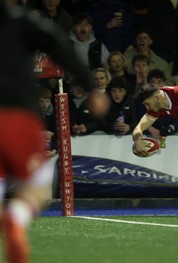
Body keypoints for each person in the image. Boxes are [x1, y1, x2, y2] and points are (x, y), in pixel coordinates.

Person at [0, 3, 108, 263]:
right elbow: (60, 46)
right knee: (38, 188)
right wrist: (90, 87)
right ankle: (16, 216)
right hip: (18, 114)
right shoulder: (21, 20)